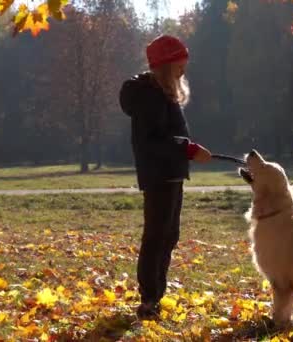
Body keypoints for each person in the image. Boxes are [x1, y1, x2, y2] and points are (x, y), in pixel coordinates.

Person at [119, 35, 212, 320]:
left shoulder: (164, 93)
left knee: (169, 235)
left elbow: (168, 135)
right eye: (179, 66)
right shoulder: (150, 96)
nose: (183, 71)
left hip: (170, 175)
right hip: (159, 175)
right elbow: (151, 141)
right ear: (166, 66)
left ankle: (156, 294)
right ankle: (149, 299)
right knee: (156, 237)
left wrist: (187, 149)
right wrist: (188, 149)